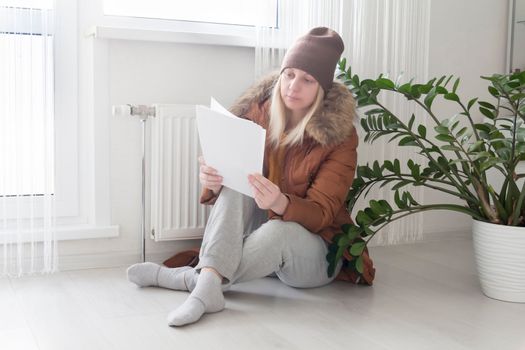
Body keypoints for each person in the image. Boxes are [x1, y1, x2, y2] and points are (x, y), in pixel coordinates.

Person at [127, 27, 370, 327]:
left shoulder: (340, 138)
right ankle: (209, 288)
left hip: (316, 250)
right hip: (263, 238)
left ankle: (189, 281)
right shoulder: (258, 112)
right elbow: (232, 176)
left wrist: (282, 202)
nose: (293, 86)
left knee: (279, 230)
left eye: (307, 80)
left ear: (322, 88)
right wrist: (213, 181)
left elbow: (322, 213)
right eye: (289, 74)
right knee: (236, 186)